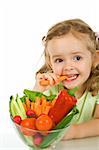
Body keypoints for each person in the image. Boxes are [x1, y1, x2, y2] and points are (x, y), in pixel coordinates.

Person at [33, 19, 99, 140]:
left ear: (95, 59)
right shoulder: (51, 88)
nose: (68, 67)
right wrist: (38, 90)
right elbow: (30, 121)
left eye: (77, 58)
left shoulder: (97, 87)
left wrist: (75, 131)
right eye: (59, 60)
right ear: (50, 63)